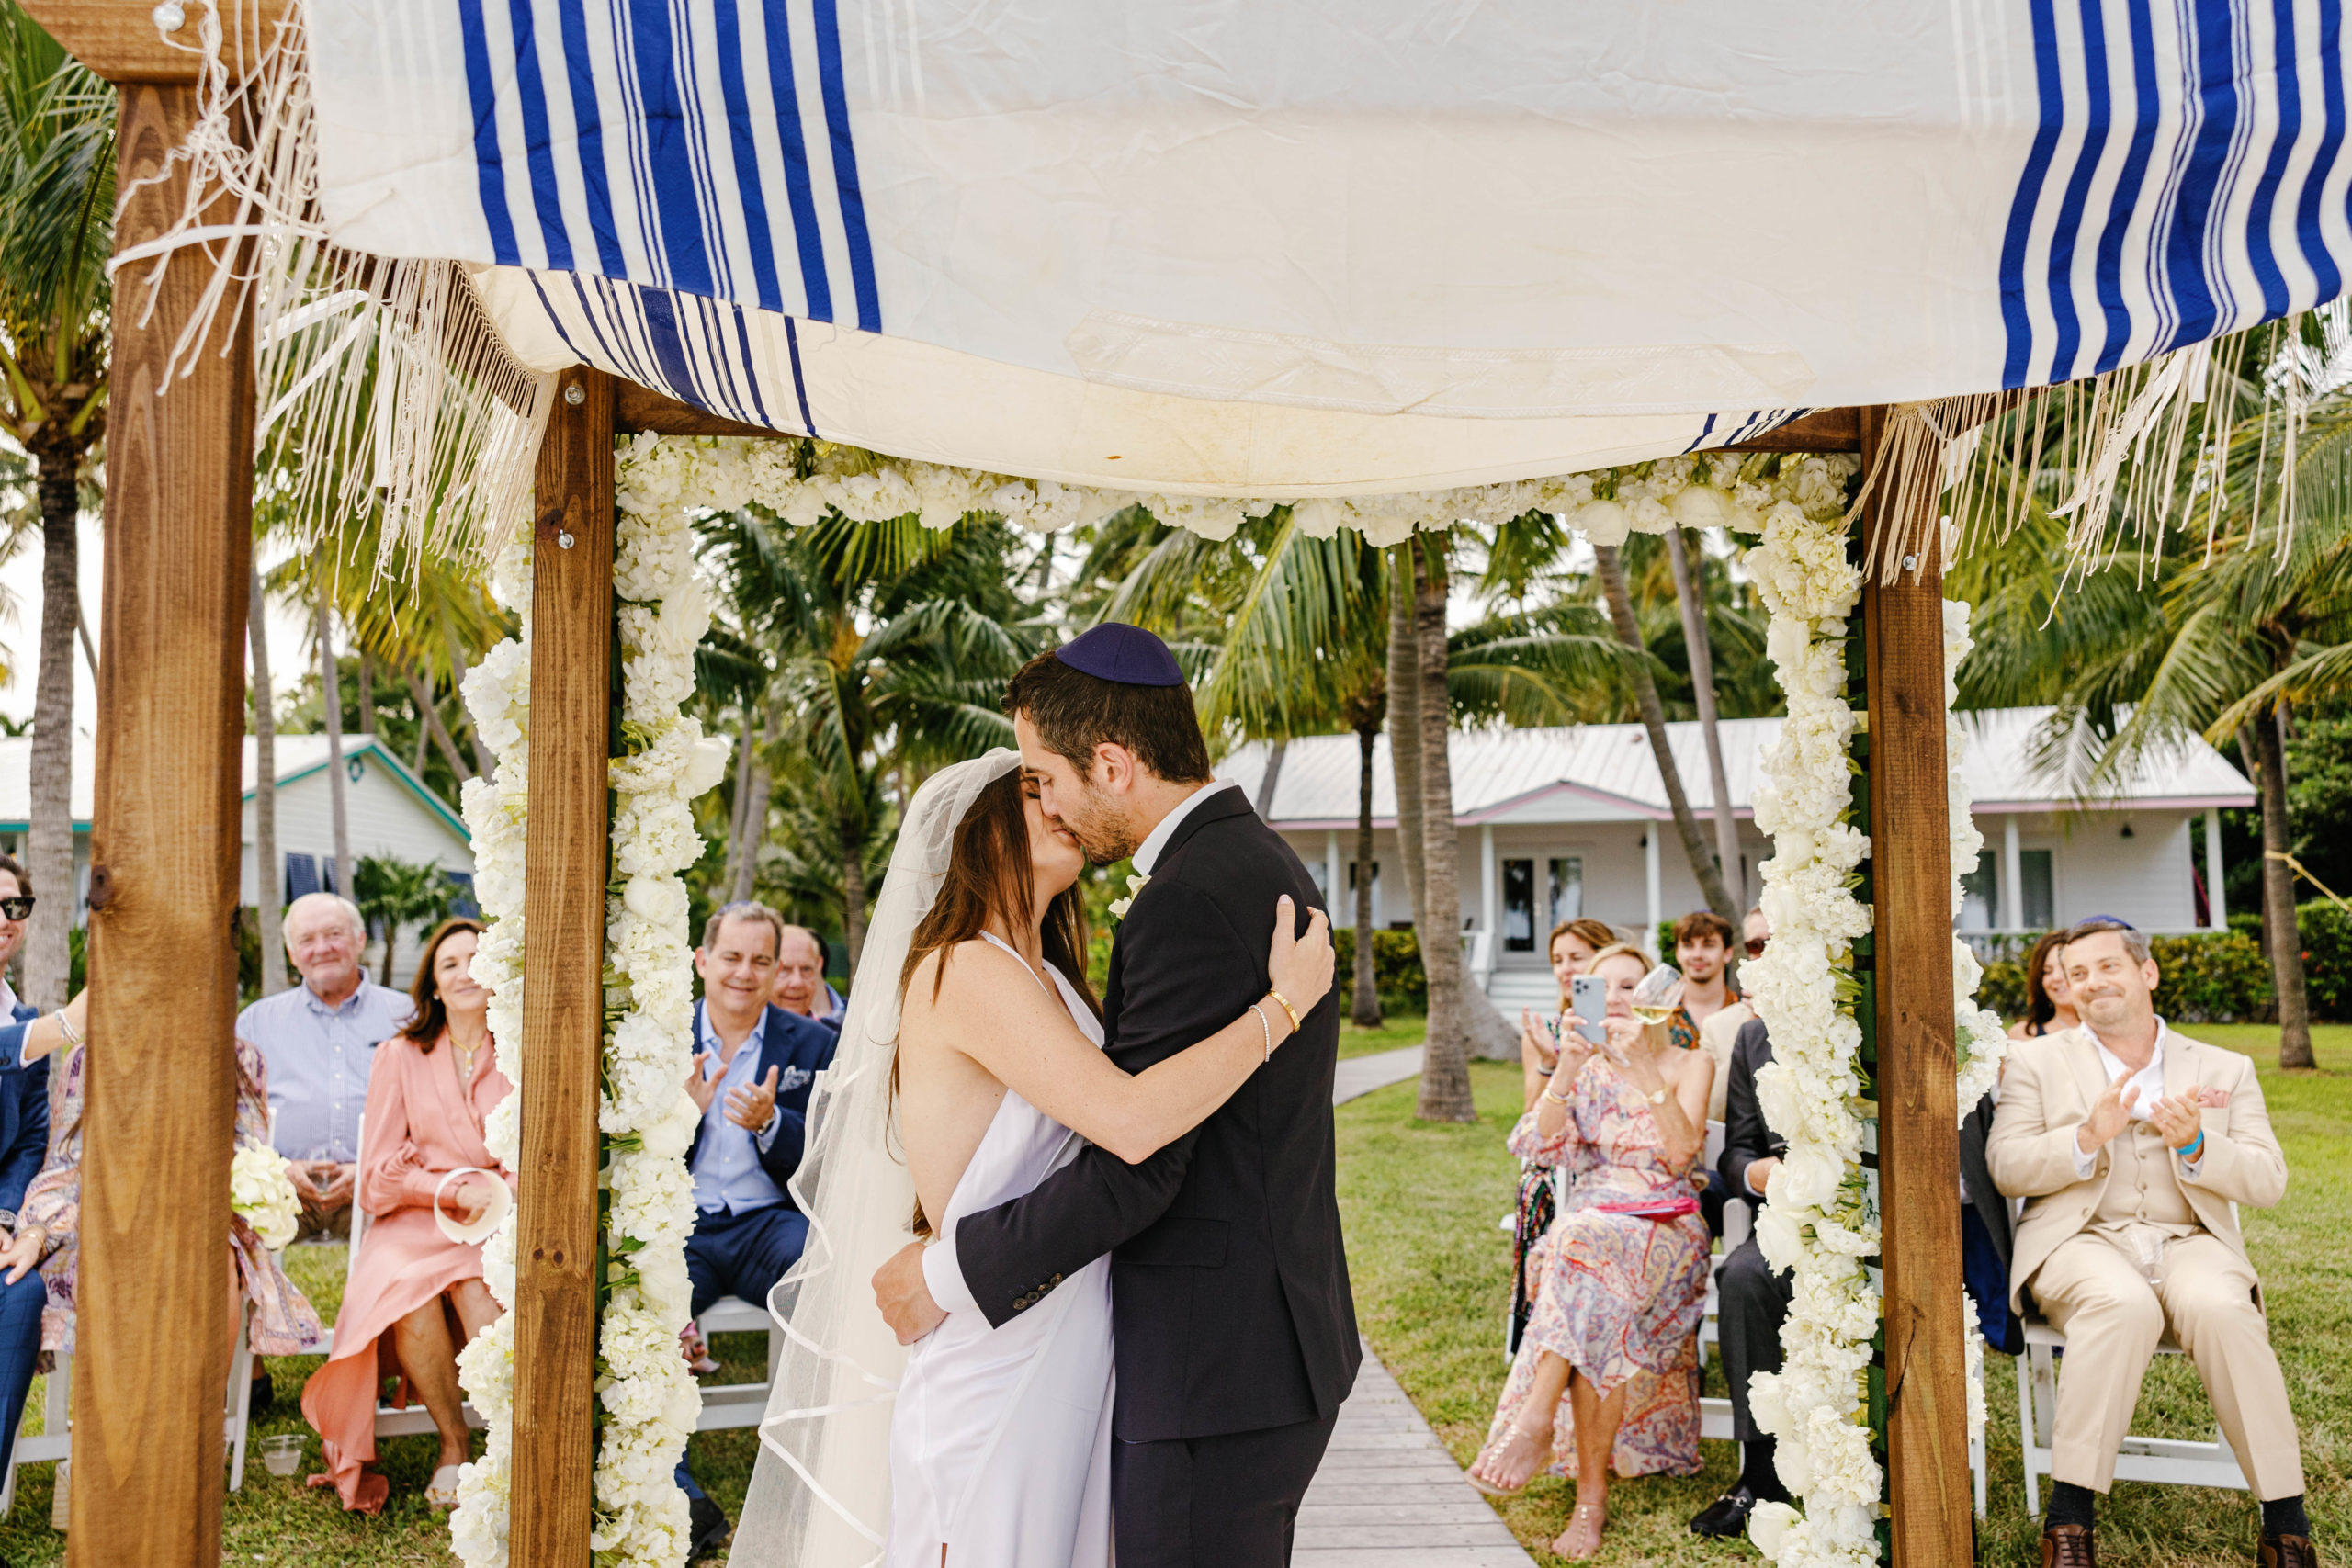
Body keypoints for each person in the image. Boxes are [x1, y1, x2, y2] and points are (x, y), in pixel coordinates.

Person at [826, 623, 1358, 1568]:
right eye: (1029, 790)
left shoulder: (1183, 901)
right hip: (1100, 1347)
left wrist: (947, 1275)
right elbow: (1129, 1128)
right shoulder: (1220, 872)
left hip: (1195, 1362)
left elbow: (1134, 1145)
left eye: (1048, 775)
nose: (1051, 800)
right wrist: (1280, 1007)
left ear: (1108, 763)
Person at [1988, 920, 2311, 1568]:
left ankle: (2287, 1526)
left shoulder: (2225, 1067)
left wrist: (2197, 1143)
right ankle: (2069, 1523)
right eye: (2077, 974)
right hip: (2081, 1240)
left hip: (2191, 1239)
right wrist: (2084, 1136)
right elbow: (2006, 1165)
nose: (2091, 983)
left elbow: (2269, 1178)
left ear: (2147, 973)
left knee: (2223, 1308)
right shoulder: (2034, 1061)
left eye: (2107, 967)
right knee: (2120, 1303)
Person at [1688, 1012, 2017, 1540]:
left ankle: (1925, 1482)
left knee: (1911, 1289)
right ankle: (1759, 1475)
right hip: (1807, 1215)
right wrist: (1758, 1174)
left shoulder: (1917, 1006)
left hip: (1909, 1217)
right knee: (1744, 1277)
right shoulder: (1758, 1034)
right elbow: (1739, 1149)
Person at [1467, 942, 1714, 1562]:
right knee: (1586, 1258)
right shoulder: (1585, 1069)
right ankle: (1588, 1502)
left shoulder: (1690, 1061)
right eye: (1605, 988)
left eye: (1633, 985)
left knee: (1576, 1249)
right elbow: (1533, 1144)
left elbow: (1684, 1154)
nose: (1621, 998)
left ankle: (1535, 1421)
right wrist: (1569, 1066)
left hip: (1668, 1225)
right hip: (1596, 1227)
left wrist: (1645, 1072)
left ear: (1660, 994)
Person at [301, 918, 514, 1513]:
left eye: (478, 958)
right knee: (409, 1293)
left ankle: (514, 1442)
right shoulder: (400, 1054)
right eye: (450, 963)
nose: (467, 970)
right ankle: (454, 1442)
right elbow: (374, 1180)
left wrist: (497, 1194)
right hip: (415, 1221)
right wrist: (447, 1186)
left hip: (502, 1216)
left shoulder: (524, 1049)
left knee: (477, 1285)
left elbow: (534, 1156)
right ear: (434, 985)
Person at [676, 900, 842, 1561]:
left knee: (830, 1281)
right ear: (702, 960)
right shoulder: (654, 1038)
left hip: (768, 1221)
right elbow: (620, 1151)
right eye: (732, 957)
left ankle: (812, 1479)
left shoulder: (813, 1045)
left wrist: (773, 1124)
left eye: (760, 960)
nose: (745, 973)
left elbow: (833, 1156)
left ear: (778, 967)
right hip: (679, 1229)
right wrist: (680, 1117)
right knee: (638, 1318)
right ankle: (681, 1498)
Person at [237, 892, 414, 1241]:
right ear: (292, 954)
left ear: (360, 940)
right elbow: (236, 1116)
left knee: (408, 1259)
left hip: (381, 1185)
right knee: (226, 1249)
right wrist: (278, 1170)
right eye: (306, 940)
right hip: (280, 1187)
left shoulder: (408, 1016)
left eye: (334, 934)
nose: (322, 948)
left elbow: (430, 1112)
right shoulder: (256, 1022)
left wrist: (369, 1171)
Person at [0, 858, 55, 1484]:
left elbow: (30, 1139)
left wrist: (4, 1217)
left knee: (21, 1291)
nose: (3, 918)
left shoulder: (24, 1019)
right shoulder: (32, 1031)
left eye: (14, 906)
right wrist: (62, 1027)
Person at [1520, 917, 1618, 1112]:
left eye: (1576, 958)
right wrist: (1549, 1062)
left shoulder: (1629, 1029)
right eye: (1557, 961)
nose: (1565, 969)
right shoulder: (1544, 1035)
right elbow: (1530, 1118)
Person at [1694, 908, 1768, 1123]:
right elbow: (1714, 1113)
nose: (1766, 953)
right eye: (1756, 946)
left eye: (1775, 942)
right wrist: (1753, 1023)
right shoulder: (1717, 1026)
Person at [2007, 927, 2082, 1040]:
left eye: (2064, 967)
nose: (2056, 977)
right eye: (2047, 971)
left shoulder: (2109, 1033)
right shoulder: (2022, 1035)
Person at [769, 923, 845, 1028]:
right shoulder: (745, 1035)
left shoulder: (828, 1039)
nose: (797, 982)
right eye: (784, 970)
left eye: (806, 969)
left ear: (819, 966)